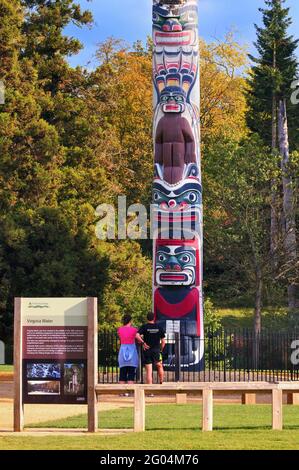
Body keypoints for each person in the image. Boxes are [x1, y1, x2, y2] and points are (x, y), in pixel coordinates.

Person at [136, 312, 166, 385]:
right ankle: (161, 383)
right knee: (159, 365)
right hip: (156, 351)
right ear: (154, 318)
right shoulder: (159, 327)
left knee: (149, 371)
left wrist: (143, 343)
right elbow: (163, 341)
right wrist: (161, 349)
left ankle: (150, 392)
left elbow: (136, 335)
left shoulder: (144, 327)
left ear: (147, 318)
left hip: (147, 350)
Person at [117, 314, 139, 385]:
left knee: (122, 374)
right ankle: (129, 393)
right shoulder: (134, 330)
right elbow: (139, 338)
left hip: (122, 352)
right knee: (131, 375)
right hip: (132, 353)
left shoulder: (120, 329)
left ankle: (122, 392)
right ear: (130, 321)